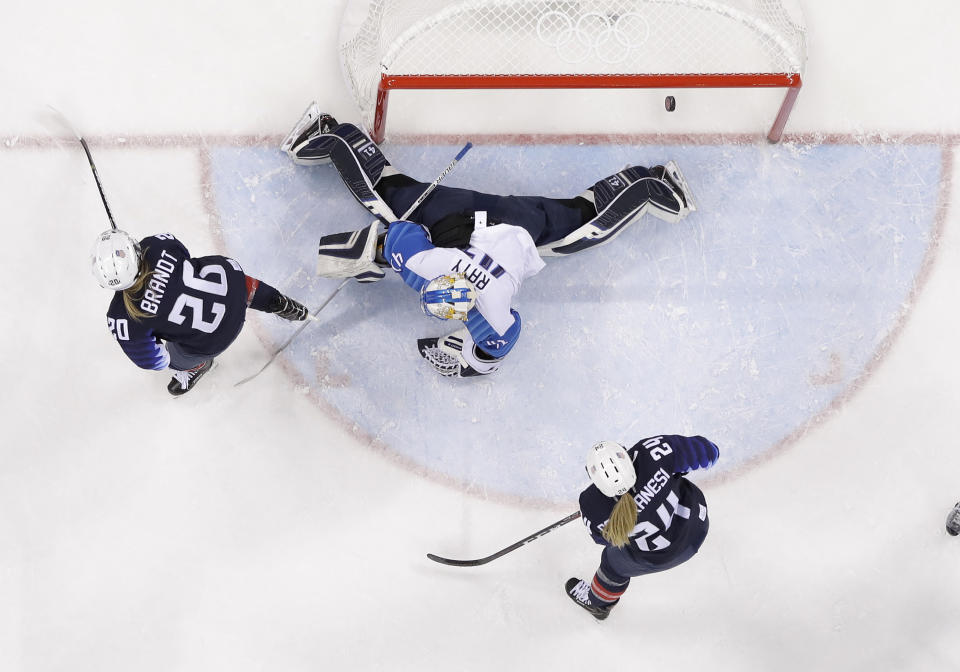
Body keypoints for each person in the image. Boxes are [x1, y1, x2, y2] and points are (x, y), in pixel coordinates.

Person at [279, 102, 697, 378]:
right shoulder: (429, 271)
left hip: (517, 224)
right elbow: (402, 235)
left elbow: (497, 345)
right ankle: (328, 133)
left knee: (581, 223)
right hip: (462, 215)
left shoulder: (494, 313)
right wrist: (376, 260)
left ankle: (652, 182)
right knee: (387, 198)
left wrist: (389, 256)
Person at [91, 229, 309, 396]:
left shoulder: (121, 316)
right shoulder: (155, 244)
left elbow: (152, 360)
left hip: (216, 338)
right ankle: (275, 301)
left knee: (174, 356)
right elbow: (183, 253)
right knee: (234, 285)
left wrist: (159, 328)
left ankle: (197, 366)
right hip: (232, 289)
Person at [567, 435, 719, 620]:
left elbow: (605, 539)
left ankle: (598, 604)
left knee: (612, 563)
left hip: (660, 557)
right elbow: (709, 452)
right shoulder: (652, 453)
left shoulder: (591, 505)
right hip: (697, 524)